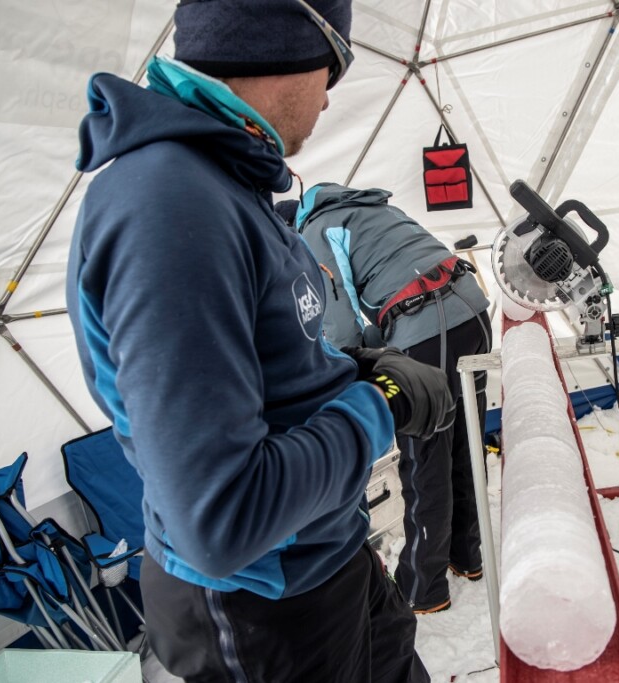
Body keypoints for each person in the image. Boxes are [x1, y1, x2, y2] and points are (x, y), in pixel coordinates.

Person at [65, 2, 451, 681]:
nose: (330, 96)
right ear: (285, 45)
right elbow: (221, 518)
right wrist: (377, 405)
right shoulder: (169, 201)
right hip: (263, 609)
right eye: (334, 65)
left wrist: (347, 367)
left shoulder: (227, 186)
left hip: (328, 556)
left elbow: (265, 363)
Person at [277, 182, 493, 614]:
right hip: (472, 311)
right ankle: (468, 556)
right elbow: (386, 304)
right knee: (465, 441)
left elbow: (341, 329)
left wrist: (347, 375)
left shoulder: (315, 232)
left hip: (431, 323)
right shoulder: (371, 207)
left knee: (425, 458)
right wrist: (386, 350)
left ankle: (423, 587)